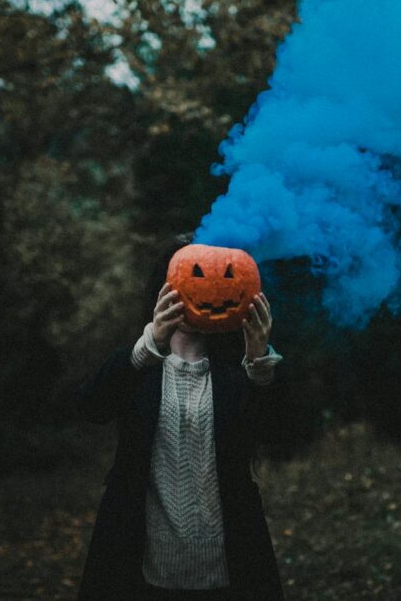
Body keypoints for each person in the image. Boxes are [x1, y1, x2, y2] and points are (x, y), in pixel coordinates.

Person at [74, 236, 287, 600]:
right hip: (142, 560)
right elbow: (88, 408)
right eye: (196, 274)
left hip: (226, 563)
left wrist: (258, 362)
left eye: (223, 277)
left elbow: (276, 431)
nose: (209, 286)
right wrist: (149, 344)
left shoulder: (239, 373)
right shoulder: (139, 365)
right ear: (166, 288)